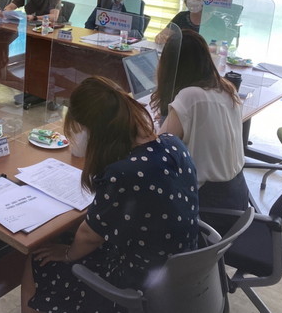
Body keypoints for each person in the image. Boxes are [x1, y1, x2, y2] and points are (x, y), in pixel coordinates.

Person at [23, 76, 199, 313]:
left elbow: (90, 236)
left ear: (94, 131)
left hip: (139, 284)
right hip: (182, 271)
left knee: (38, 259)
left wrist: (66, 254)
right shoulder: (172, 143)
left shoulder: (124, 173)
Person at [152, 29, 248, 222]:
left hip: (207, 208)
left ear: (172, 65)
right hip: (237, 198)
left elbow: (158, 152)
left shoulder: (190, 97)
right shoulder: (226, 88)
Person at [155, 0, 227, 44]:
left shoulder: (218, 23)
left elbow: (219, 49)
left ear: (207, 0)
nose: (191, 0)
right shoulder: (181, 16)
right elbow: (161, 36)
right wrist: (161, 38)